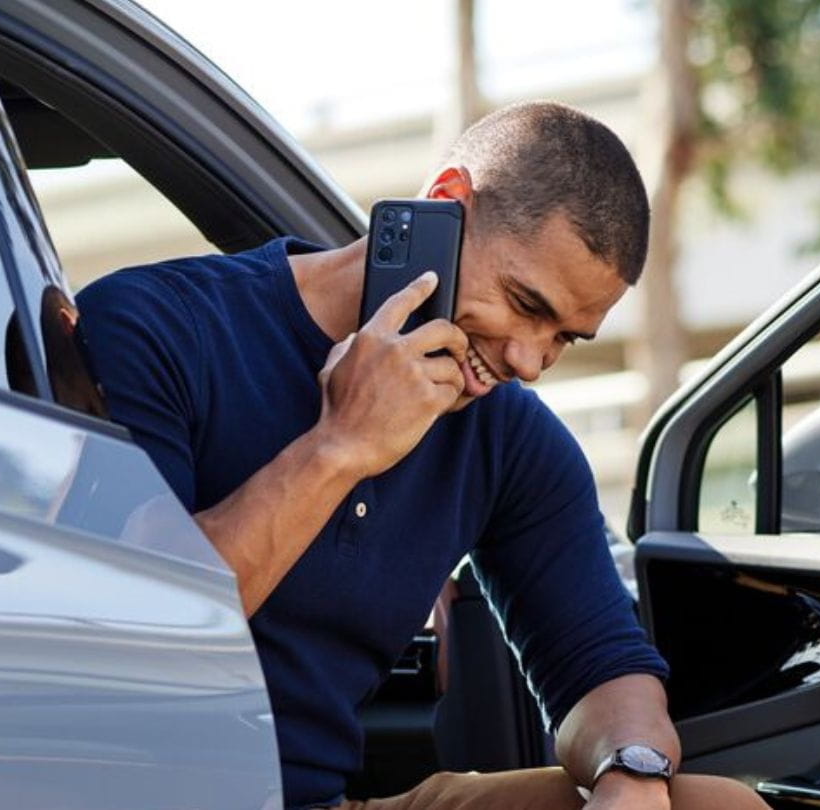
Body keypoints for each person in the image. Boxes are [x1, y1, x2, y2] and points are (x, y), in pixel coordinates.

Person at [74, 102, 768, 810]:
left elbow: (600, 665)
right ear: (446, 205)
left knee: (715, 808)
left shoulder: (509, 437)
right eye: (524, 303)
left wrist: (632, 775)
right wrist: (340, 445)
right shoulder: (156, 324)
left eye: (564, 338)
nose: (528, 361)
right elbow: (148, 629)